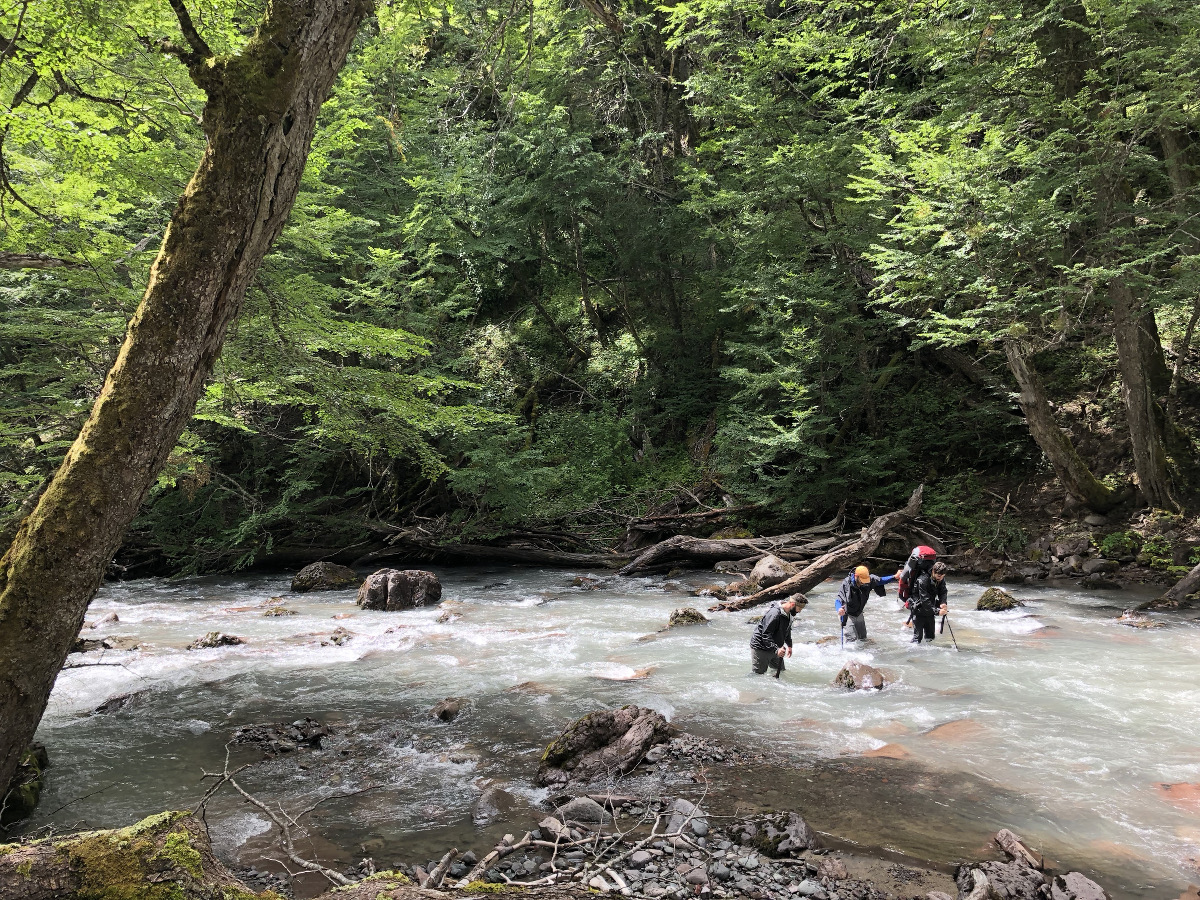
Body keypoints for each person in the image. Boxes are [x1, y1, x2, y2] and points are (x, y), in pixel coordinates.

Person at [835, 565, 895, 643]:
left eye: (865, 580)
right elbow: (838, 599)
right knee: (851, 639)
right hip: (847, 614)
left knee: (863, 638)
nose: (864, 583)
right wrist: (839, 609)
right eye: (862, 580)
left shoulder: (868, 580)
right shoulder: (847, 584)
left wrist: (894, 577)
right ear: (856, 576)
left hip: (859, 613)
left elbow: (880, 580)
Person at [750, 596, 800, 677]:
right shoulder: (774, 614)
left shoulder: (790, 614)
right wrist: (776, 650)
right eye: (799, 609)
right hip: (761, 646)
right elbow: (765, 634)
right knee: (758, 675)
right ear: (793, 604)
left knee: (780, 672)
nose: (799, 611)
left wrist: (789, 645)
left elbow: (787, 630)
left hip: (775, 647)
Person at [910, 561, 949, 644]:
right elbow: (924, 600)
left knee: (930, 638)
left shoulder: (940, 578)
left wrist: (943, 602)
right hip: (919, 611)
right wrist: (938, 611)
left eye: (942, 576)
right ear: (933, 571)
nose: (940, 578)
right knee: (917, 640)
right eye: (939, 576)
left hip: (930, 612)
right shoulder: (922, 580)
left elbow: (943, 591)